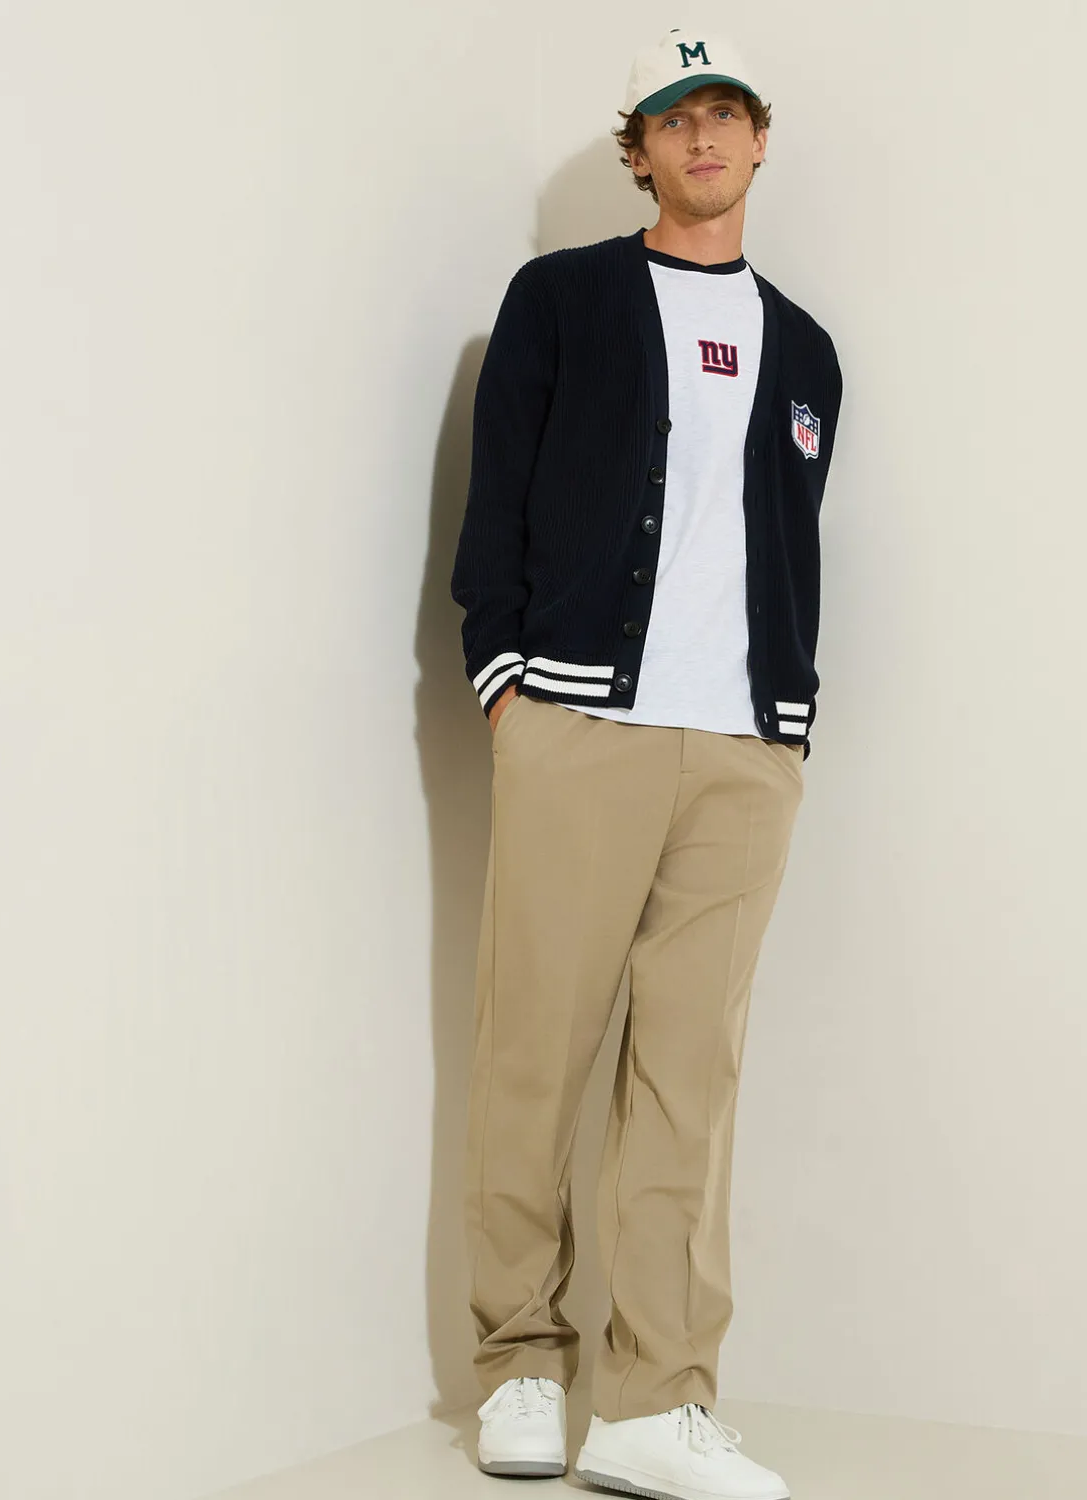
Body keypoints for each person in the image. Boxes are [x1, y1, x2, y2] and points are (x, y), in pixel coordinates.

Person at [450, 28, 843, 1500]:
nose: (704, 137)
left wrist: (786, 721)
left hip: (744, 751)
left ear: (759, 139)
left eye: (726, 114)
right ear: (640, 150)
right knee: (536, 1050)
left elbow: (786, 547)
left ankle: (653, 1401)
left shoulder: (807, 349)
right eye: (676, 119)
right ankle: (521, 1363)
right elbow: (494, 501)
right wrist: (505, 682)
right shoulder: (561, 301)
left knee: (691, 1081)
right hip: (577, 724)